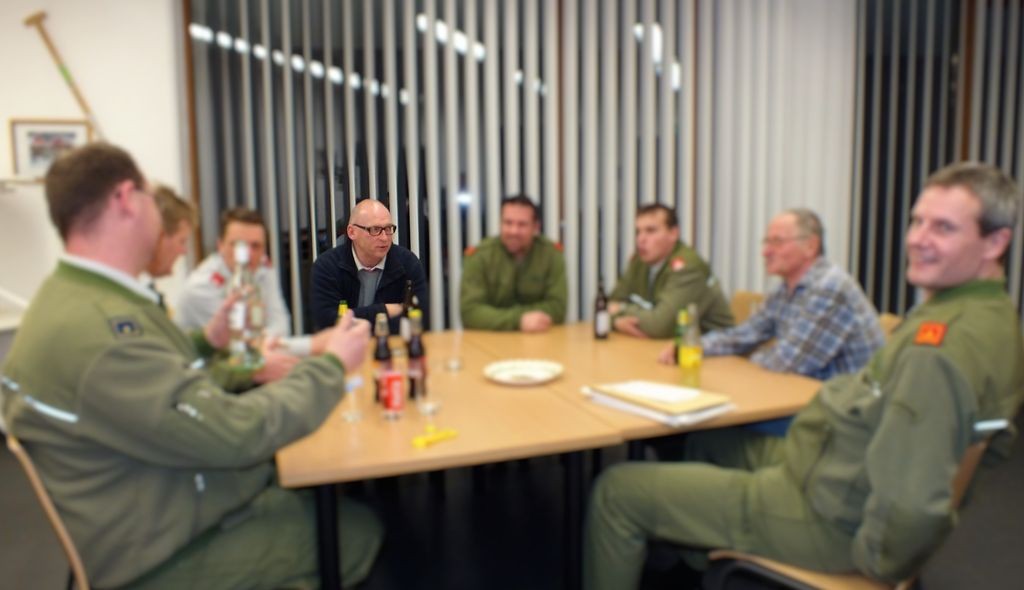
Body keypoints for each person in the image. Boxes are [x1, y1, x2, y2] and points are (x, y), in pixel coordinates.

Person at [584, 162, 1024, 589]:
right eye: (917, 222)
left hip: (828, 513)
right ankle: (696, 558)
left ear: (995, 242)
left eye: (943, 228)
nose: (917, 239)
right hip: (835, 464)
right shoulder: (984, 315)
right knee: (706, 440)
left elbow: (910, 501)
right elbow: (750, 335)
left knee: (615, 491)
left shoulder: (938, 348)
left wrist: (875, 565)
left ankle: (697, 540)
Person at [0, 142, 382, 589]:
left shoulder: (78, 299)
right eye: (150, 197)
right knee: (356, 532)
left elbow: (155, 374)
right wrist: (331, 365)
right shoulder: (103, 330)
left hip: (144, 502)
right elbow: (237, 434)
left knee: (302, 490)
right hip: (157, 548)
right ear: (126, 199)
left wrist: (205, 341)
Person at [658, 208, 884, 381]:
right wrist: (694, 346)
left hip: (849, 412)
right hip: (807, 395)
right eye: (766, 242)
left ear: (811, 246)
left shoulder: (830, 287)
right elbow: (745, 335)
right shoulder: (785, 290)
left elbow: (788, 362)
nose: (765, 252)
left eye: (777, 242)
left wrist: (748, 359)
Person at [609, 203, 734, 338]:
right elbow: (605, 307)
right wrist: (615, 322)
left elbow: (659, 326)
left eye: (651, 231)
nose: (641, 239)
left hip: (712, 347)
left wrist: (621, 309)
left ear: (673, 233)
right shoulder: (639, 262)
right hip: (664, 344)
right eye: (638, 232)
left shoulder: (688, 268)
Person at [310, 198, 429, 332]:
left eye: (388, 229)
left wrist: (352, 318)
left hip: (391, 343)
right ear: (352, 232)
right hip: (346, 344)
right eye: (375, 229)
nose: (384, 238)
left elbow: (419, 317)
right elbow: (326, 321)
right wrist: (384, 310)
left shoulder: (407, 263)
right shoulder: (327, 266)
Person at [173, 207, 293, 339]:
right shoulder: (201, 286)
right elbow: (238, 337)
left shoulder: (263, 269)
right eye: (239, 245)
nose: (248, 254)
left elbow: (281, 325)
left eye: (256, 246)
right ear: (220, 246)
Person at [460, 195, 567, 332]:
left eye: (522, 224)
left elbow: (558, 308)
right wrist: (519, 320)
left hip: (539, 338)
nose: (513, 231)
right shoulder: (480, 256)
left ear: (535, 227)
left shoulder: (551, 254)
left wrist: (497, 317)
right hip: (489, 338)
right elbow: (470, 312)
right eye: (508, 223)